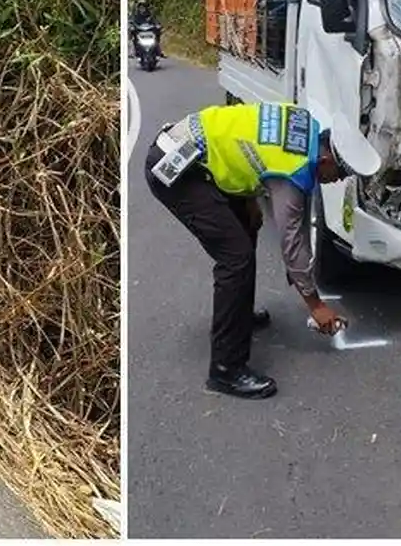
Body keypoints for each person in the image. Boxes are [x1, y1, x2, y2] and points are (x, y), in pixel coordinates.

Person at [144, 101, 380, 399]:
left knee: (245, 228)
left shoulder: (305, 127)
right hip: (177, 170)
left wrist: (249, 201)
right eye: (340, 172)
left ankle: (237, 316)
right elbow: (292, 242)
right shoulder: (293, 167)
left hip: (195, 153)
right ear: (325, 160)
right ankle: (225, 371)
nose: (339, 180)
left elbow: (250, 149)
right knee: (236, 257)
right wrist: (316, 306)